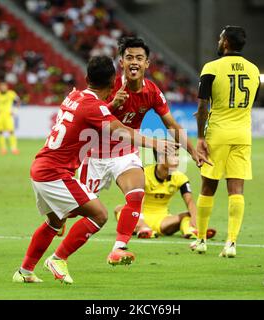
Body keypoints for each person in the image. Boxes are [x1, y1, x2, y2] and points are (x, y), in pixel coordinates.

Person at [13, 55, 175, 284]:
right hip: (55, 173)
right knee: (99, 215)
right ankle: (58, 258)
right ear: (113, 83)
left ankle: (25, 271)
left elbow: (91, 118)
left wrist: (110, 107)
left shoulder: (74, 96)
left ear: (87, 78)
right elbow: (119, 130)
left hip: (40, 167)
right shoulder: (95, 107)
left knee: (55, 223)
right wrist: (156, 143)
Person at [79, 37, 208, 266]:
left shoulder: (152, 92)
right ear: (121, 62)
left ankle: (119, 248)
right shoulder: (108, 88)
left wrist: (191, 150)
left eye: (139, 58)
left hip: (125, 152)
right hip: (96, 154)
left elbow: (172, 125)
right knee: (76, 209)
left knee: (136, 193)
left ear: (147, 64)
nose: (134, 62)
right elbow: (86, 120)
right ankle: (56, 220)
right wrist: (111, 106)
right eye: (129, 57)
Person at [191, 26, 260, 257]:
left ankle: (200, 239)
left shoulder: (211, 68)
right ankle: (231, 243)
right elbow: (250, 102)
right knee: (236, 189)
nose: (219, 41)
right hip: (243, 134)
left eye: (220, 38)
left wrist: (200, 137)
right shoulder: (254, 70)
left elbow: (203, 107)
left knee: (208, 186)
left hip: (218, 134)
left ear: (226, 43)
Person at [114, 147, 216, 239]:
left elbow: (189, 201)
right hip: (141, 218)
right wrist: (140, 220)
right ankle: (143, 228)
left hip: (163, 221)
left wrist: (195, 219)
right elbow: (139, 202)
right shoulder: (143, 174)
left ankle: (192, 231)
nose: (177, 160)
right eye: (173, 156)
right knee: (119, 209)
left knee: (189, 214)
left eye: (177, 155)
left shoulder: (180, 178)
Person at [0, 82, 21, 155]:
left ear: (7, 87)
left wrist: (15, 110)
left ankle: (14, 148)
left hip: (8, 116)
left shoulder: (11, 93)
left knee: (11, 131)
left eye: (4, 86)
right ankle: (3, 149)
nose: (3, 88)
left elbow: (18, 101)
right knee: (0, 132)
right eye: (2, 86)